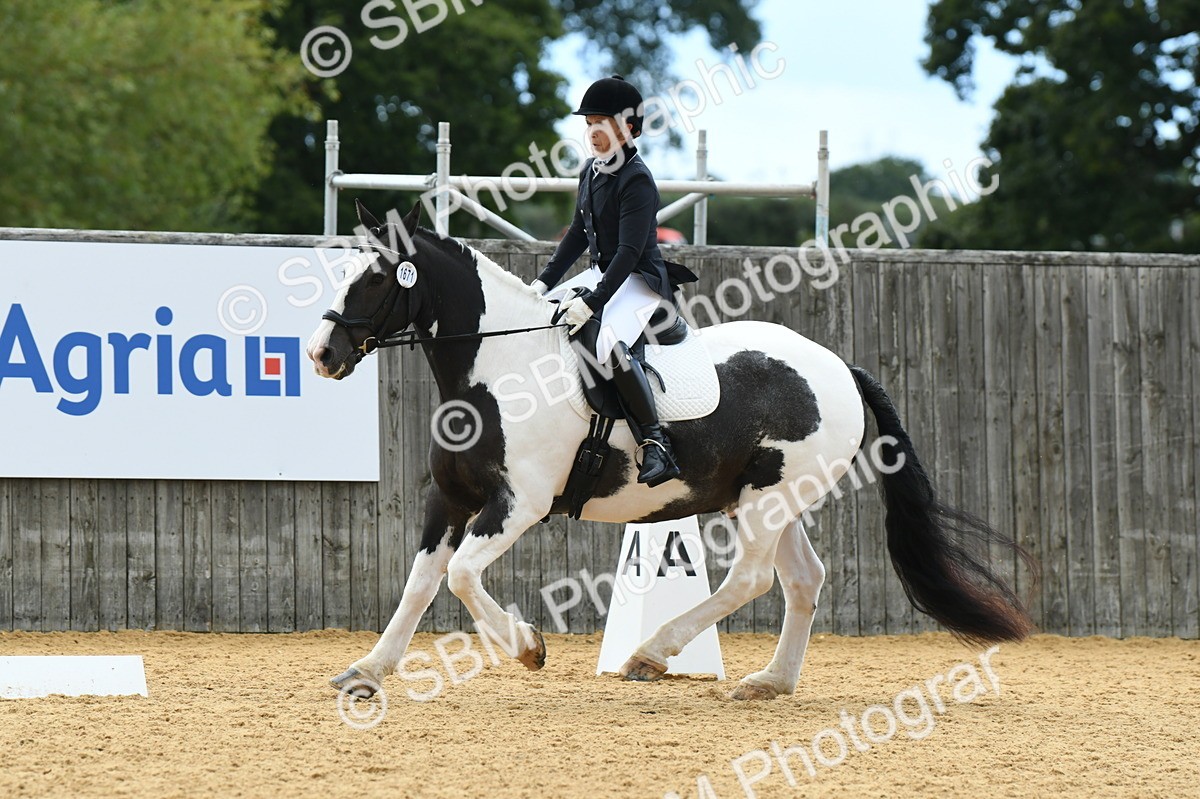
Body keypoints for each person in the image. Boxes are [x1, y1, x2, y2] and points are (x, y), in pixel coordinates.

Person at [530, 75, 693, 488]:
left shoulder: (637, 179)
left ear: (628, 129)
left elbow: (629, 252)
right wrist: (542, 284)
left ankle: (656, 444)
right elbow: (576, 234)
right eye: (589, 124)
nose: (592, 133)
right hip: (604, 273)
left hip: (638, 277)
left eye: (601, 124)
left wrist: (594, 300)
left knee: (609, 343)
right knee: (545, 317)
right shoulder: (590, 170)